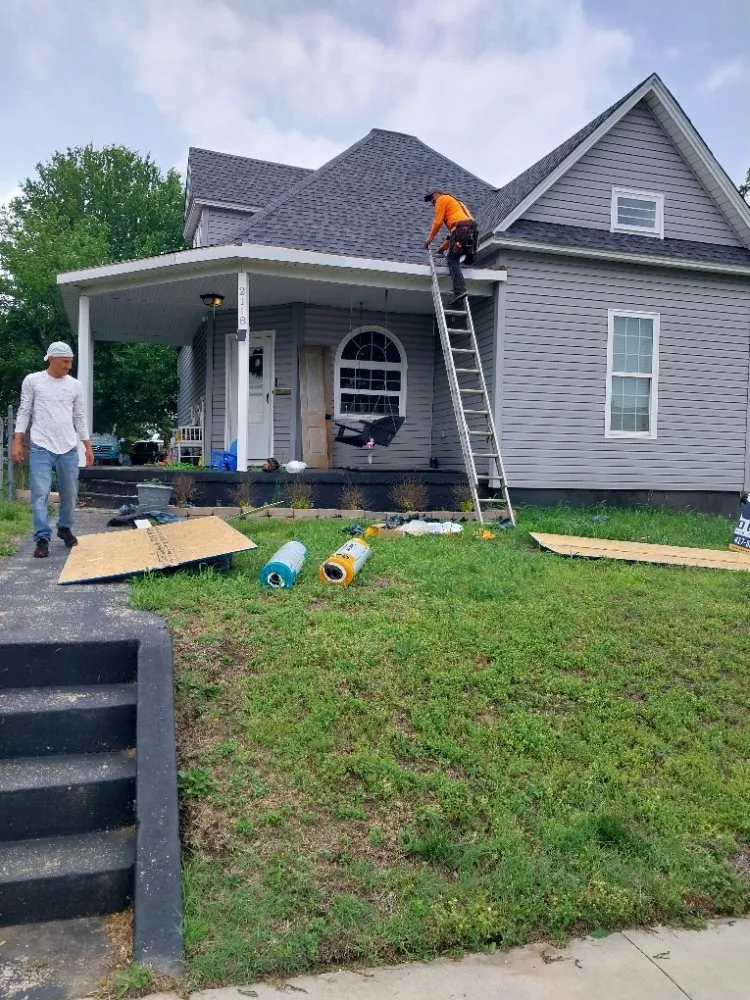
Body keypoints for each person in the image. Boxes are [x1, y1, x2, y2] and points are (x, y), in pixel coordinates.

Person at [12, 342, 94, 558]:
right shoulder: (33, 381)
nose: (69, 365)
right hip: (41, 446)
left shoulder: (75, 385)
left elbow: (79, 417)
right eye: (65, 361)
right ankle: (42, 538)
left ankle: (65, 528)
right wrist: (17, 441)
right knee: (40, 494)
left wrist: (87, 446)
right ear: (52, 359)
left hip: (67, 447)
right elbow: (24, 411)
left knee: (70, 493)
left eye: (71, 361)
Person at [423, 188, 479, 305]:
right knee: (459, 255)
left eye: (432, 198)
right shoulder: (454, 202)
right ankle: (469, 256)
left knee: (452, 260)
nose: (432, 202)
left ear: (438, 194)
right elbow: (454, 232)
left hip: (462, 230)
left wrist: (429, 239)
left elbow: (437, 222)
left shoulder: (441, 199)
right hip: (472, 231)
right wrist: (444, 247)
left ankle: (460, 290)